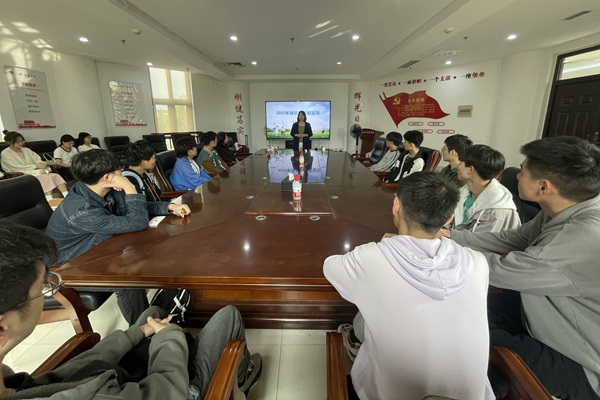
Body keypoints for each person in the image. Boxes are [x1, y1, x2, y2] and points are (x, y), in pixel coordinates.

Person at [0, 221, 262, 399]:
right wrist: (167, 336)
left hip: (117, 379)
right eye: (43, 288)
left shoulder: (7, 382)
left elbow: (62, 377)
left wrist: (139, 331)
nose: (49, 288)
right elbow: (167, 389)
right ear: (2, 328)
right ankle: (240, 377)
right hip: (177, 390)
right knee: (228, 314)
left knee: (153, 312)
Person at [450, 136, 600, 399]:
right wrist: (450, 237)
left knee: (463, 331)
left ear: (543, 186)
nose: (517, 175)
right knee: (461, 306)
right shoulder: (564, 207)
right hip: (540, 318)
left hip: (580, 361)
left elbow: (501, 270)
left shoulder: (582, 236)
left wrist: (438, 252)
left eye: (522, 171)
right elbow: (514, 239)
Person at [324, 172, 493, 400]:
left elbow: (330, 266)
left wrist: (384, 247)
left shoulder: (370, 259)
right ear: (449, 219)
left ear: (396, 205)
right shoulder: (477, 263)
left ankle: (353, 343)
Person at [46, 149, 189, 325]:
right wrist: (130, 187)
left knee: (157, 250)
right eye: (118, 170)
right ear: (107, 177)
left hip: (97, 248)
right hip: (70, 266)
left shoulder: (100, 188)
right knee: (127, 278)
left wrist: (168, 207)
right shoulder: (81, 211)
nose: (122, 173)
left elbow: (136, 207)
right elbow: (137, 222)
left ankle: (170, 300)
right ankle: (143, 328)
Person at [452, 144, 520, 233]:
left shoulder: (498, 211)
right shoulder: (464, 192)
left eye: (461, 162)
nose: (457, 166)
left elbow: (481, 240)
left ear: (471, 170)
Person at [0, 131, 68, 201]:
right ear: (9, 142)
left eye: (22, 141)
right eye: (17, 142)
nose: (21, 143)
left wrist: (41, 164)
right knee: (47, 178)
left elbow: (37, 159)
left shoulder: (26, 150)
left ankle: (67, 197)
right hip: (21, 174)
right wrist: (36, 166)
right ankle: (49, 200)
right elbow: (15, 167)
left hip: (35, 171)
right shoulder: (5, 153)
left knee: (56, 176)